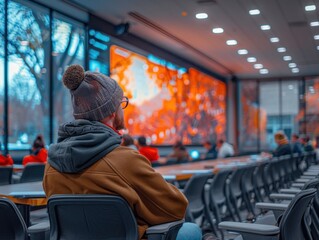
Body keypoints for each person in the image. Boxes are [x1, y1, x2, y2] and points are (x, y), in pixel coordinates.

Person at [42, 65, 201, 240]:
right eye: (121, 104)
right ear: (111, 111)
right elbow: (176, 209)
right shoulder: (127, 160)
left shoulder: (51, 166)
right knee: (190, 230)